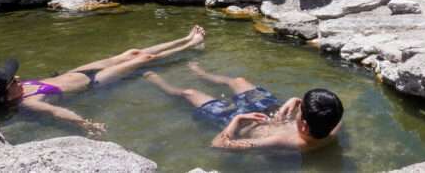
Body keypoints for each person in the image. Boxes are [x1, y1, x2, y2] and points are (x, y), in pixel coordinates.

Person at [0, 25, 206, 137]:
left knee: (133, 52)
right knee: (144, 59)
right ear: (6, 95)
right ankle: (191, 44)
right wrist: (85, 124)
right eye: (12, 81)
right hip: (94, 81)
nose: (18, 77)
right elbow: (56, 113)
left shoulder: (18, 90)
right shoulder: (27, 102)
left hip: (78, 71)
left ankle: (184, 37)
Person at [143, 61, 343, 152]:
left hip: (238, 121)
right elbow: (334, 111)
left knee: (189, 93)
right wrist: (295, 100)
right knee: (238, 80)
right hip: (268, 106)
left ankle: (160, 83)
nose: (298, 109)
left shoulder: (282, 140)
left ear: (305, 125)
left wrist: (236, 121)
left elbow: (219, 145)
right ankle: (203, 75)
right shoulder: (332, 125)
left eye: (300, 111)